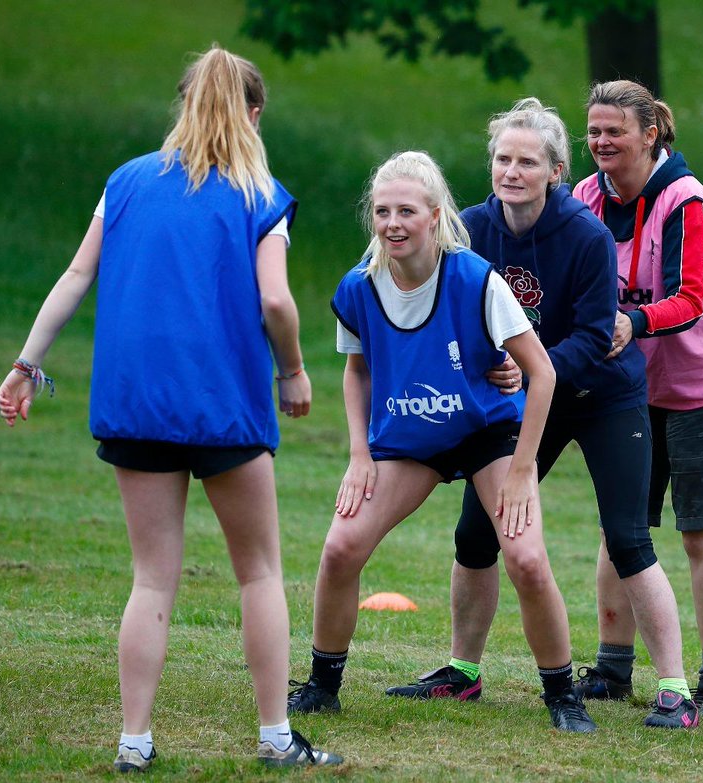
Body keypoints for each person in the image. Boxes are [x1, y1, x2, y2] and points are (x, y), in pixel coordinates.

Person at [0, 46, 340, 770]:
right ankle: (276, 736)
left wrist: (27, 364)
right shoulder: (261, 194)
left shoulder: (124, 183)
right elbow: (276, 299)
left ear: (182, 105)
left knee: (151, 577)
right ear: (254, 114)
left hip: (136, 403)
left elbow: (76, 275)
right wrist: (295, 372)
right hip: (224, 407)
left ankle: (134, 741)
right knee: (259, 572)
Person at [383, 99, 698, 728]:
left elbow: (593, 337)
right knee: (477, 534)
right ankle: (464, 672)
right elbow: (452, 313)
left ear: (556, 169)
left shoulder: (586, 234)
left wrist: (525, 365)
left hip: (602, 397)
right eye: (503, 158)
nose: (512, 171)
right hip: (525, 401)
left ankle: (676, 690)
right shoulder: (470, 230)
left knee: (629, 537)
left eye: (527, 161)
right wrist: (486, 367)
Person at [285, 150, 597, 733]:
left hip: (486, 432)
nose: (393, 223)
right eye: (382, 212)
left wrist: (523, 468)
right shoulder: (360, 286)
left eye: (406, 210)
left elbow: (544, 373)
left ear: (435, 215)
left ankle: (562, 696)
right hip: (409, 439)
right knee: (340, 548)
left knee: (527, 559)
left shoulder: (476, 279)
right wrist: (359, 454)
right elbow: (357, 370)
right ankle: (323, 687)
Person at [571, 80, 703, 716]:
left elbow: (690, 298)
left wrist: (632, 323)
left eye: (614, 131)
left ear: (650, 134)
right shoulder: (586, 196)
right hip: (630, 385)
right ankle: (611, 669)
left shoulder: (688, 203)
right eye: (593, 130)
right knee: (620, 527)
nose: (600, 141)